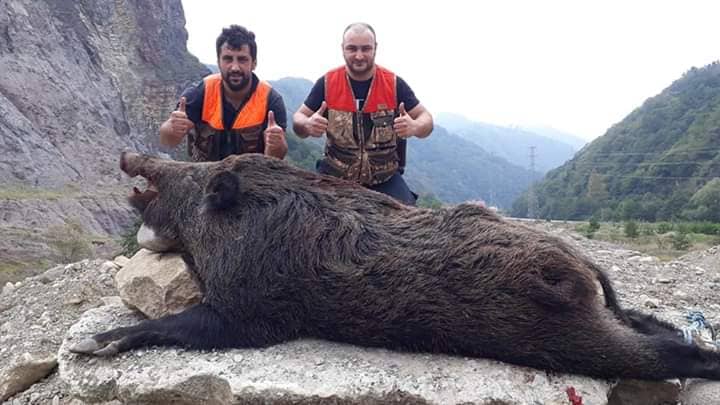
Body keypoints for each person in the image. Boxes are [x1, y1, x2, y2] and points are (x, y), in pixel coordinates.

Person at [293, 22, 433, 206]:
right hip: (334, 175)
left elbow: (427, 119)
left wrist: (415, 127)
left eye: (366, 48)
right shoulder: (327, 83)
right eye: (352, 48)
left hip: (385, 178)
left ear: (375, 48)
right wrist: (307, 124)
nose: (359, 56)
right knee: (305, 214)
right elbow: (298, 119)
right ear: (342, 49)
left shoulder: (393, 84)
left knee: (410, 222)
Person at [160, 25, 287, 161]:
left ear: (254, 63)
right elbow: (168, 141)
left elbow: (276, 158)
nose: (235, 67)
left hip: (251, 177)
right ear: (218, 62)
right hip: (204, 175)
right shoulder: (200, 92)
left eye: (242, 59)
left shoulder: (271, 99)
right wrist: (172, 128)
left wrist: (276, 144)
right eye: (228, 59)